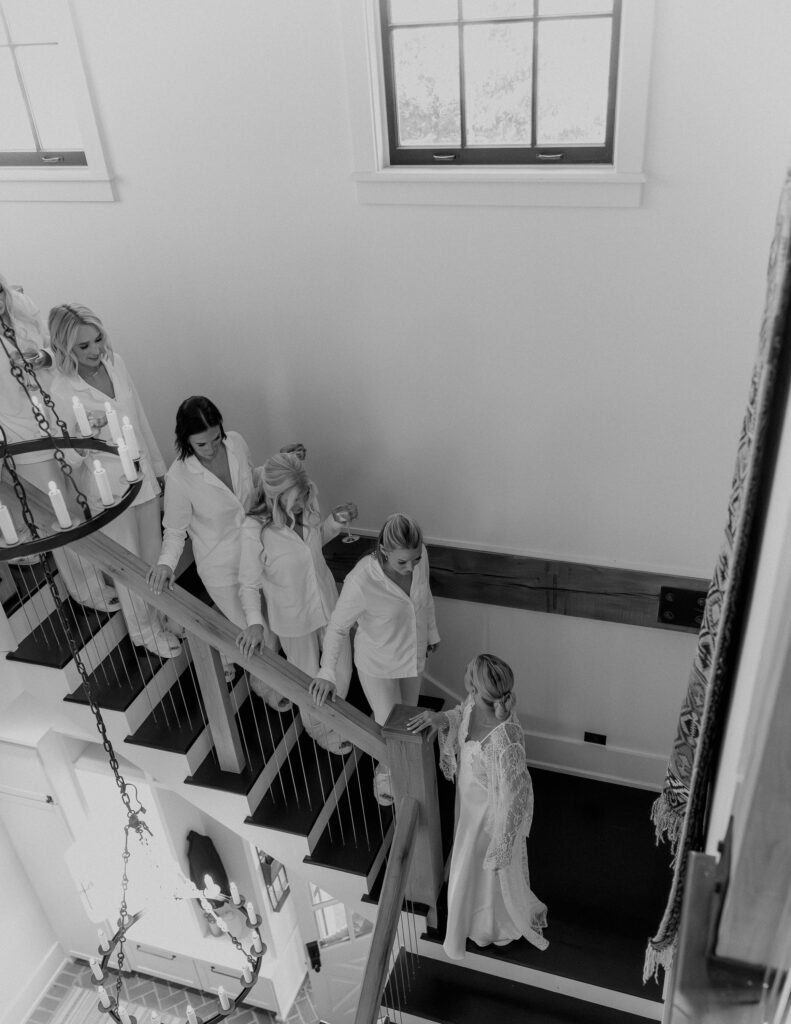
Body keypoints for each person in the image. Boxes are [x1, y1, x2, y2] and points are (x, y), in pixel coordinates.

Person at [48, 303, 181, 659]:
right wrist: (84, 439)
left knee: (154, 558)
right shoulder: (62, 391)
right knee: (130, 565)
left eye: (97, 339)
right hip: (109, 492)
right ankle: (143, 631)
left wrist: (158, 468)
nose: (95, 351)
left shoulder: (115, 362)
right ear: (65, 349)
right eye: (83, 347)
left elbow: (138, 417)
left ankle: (164, 614)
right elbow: (66, 457)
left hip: (143, 480)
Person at [147, 396, 286, 708]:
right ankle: (264, 685)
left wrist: (278, 465)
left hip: (260, 549)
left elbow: (251, 479)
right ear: (186, 441)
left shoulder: (236, 443)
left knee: (277, 622)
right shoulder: (179, 478)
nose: (211, 449)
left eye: (215, 438)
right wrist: (166, 564)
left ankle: (230, 654)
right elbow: (174, 531)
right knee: (260, 634)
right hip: (222, 568)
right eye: (201, 444)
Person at [407, 654, 548, 959]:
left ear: (473, 684)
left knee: (481, 872)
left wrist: (502, 845)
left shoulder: (505, 739)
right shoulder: (474, 702)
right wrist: (439, 718)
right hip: (467, 805)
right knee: (465, 866)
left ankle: (490, 926)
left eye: (468, 673)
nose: (465, 676)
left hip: (487, 818)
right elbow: (460, 713)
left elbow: (516, 796)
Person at [0, 276, 118, 609]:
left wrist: (42, 357)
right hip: (21, 434)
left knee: (84, 496)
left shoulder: (21, 308)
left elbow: (57, 344)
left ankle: (103, 572)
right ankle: (87, 591)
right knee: (62, 514)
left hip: (57, 415)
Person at [309, 512, 440, 803]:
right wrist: (327, 672)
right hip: (377, 665)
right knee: (388, 724)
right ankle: (385, 770)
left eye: (415, 560)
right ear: (383, 551)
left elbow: (424, 595)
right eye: (402, 562)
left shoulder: (420, 559)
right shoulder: (361, 580)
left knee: (408, 716)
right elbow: (337, 627)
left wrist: (430, 633)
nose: (410, 568)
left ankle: (397, 759)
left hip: (412, 656)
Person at [236, 451, 357, 753]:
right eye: (295, 499)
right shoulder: (254, 530)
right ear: (275, 497)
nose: (303, 502)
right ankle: (318, 729)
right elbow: (248, 583)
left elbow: (312, 546)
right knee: (305, 677)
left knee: (341, 670)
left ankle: (334, 719)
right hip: (292, 616)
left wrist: (334, 521)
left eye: (304, 493)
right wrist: (254, 623)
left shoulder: (308, 500)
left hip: (328, 602)